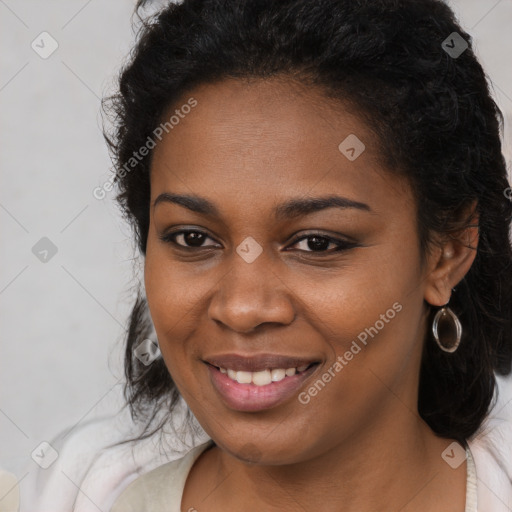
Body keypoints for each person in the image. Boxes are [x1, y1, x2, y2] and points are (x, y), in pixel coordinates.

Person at [19, 0, 512, 510]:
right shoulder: (76, 493)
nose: (242, 308)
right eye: (193, 239)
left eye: (316, 243)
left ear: (448, 252)